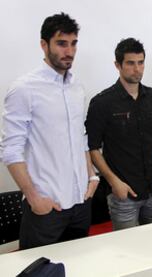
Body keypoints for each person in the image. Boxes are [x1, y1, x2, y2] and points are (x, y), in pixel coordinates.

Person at [0, 13, 98, 250]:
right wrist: (34, 198)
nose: (69, 51)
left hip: (80, 202)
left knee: (80, 268)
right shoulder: (24, 89)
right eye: (61, 43)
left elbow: (80, 138)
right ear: (44, 45)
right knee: (40, 271)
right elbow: (10, 150)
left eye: (73, 43)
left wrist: (92, 176)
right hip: (46, 208)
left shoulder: (76, 88)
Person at [85, 38, 152, 230]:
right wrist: (113, 182)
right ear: (118, 65)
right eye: (130, 63)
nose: (137, 68)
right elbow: (93, 148)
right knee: (128, 252)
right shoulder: (102, 103)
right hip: (124, 194)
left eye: (141, 62)